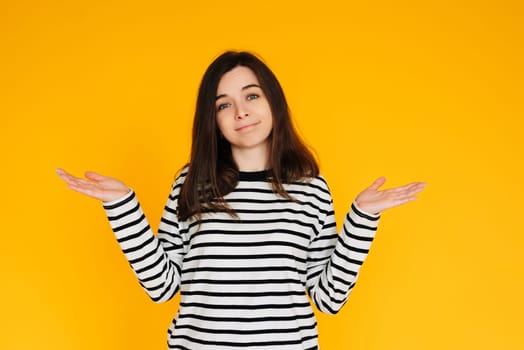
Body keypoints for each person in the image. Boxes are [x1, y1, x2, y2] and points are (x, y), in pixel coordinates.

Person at [56, 51, 426, 349]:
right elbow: (162, 286)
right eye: (223, 104)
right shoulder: (191, 183)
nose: (240, 112)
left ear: (273, 103)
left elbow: (329, 299)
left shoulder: (311, 188)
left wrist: (362, 217)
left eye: (251, 95)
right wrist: (123, 208)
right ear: (212, 119)